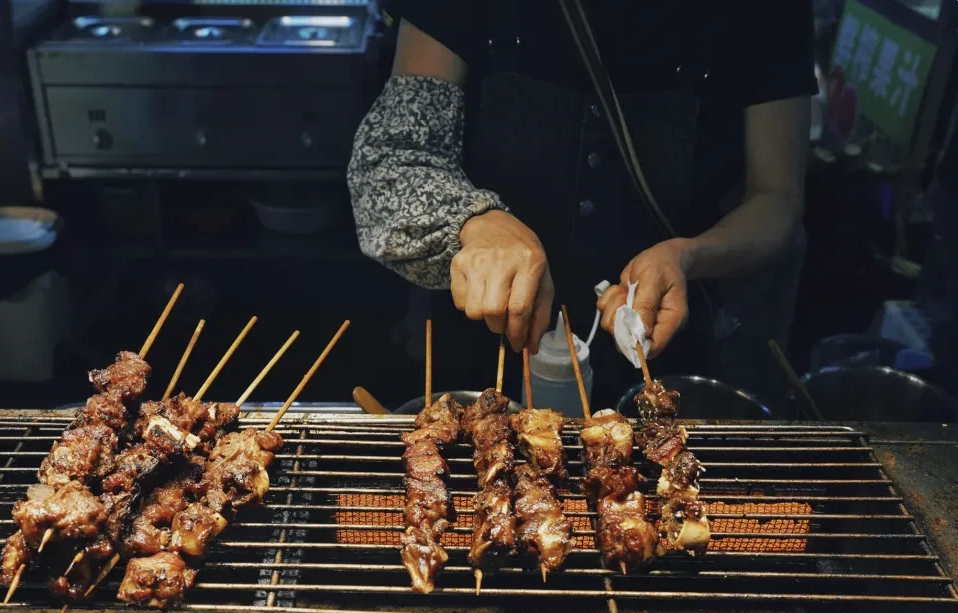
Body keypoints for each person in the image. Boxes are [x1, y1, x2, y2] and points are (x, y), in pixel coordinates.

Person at [348, 1, 815, 407]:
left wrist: (688, 253)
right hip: (481, 349)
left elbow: (777, 201)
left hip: (657, 352)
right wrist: (476, 220)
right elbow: (395, 157)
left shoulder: (764, 7)